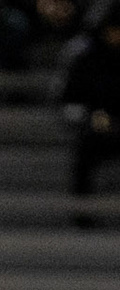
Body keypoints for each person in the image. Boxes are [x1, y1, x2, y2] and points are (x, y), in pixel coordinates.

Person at [59, 5, 120, 202]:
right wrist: (90, 117)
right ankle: (82, 210)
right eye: (113, 29)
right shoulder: (87, 60)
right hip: (96, 128)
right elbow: (70, 100)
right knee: (86, 149)